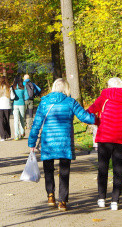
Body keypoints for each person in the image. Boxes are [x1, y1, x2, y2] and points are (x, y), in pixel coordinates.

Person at [28, 78, 95, 211]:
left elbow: (36, 124)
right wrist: (99, 117)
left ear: (53, 87)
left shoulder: (44, 102)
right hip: (64, 142)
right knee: (64, 171)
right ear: (66, 88)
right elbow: (85, 117)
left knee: (48, 170)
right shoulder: (70, 102)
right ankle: (62, 201)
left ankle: (50, 196)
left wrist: (32, 142)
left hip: (48, 142)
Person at [87, 77, 122, 211]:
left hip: (104, 139)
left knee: (102, 169)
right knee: (118, 171)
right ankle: (115, 201)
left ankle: (101, 198)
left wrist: (98, 121)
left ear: (108, 86)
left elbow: (89, 112)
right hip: (121, 140)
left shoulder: (103, 98)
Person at [0, 76, 12, 141]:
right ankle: (7, 134)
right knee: (7, 120)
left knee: (0, 121)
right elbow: (12, 96)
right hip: (7, 105)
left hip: (0, 106)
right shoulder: (9, 88)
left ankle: (2, 136)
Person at [10, 75, 26, 140]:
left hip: (15, 104)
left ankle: (16, 135)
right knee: (22, 119)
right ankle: (22, 133)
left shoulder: (12, 87)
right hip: (22, 104)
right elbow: (26, 96)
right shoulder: (23, 87)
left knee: (16, 120)